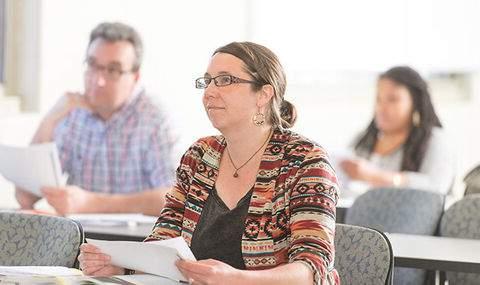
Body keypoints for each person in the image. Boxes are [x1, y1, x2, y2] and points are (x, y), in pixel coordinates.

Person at [78, 42, 340, 284]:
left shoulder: (305, 160)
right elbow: (164, 241)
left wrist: (235, 279)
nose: (209, 92)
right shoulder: (200, 155)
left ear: (263, 94)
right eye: (207, 81)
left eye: (225, 80)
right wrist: (123, 267)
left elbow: (311, 268)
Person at [15, 22, 176, 216]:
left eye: (113, 70)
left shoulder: (155, 119)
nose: (98, 80)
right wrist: (48, 122)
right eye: (93, 65)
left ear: (135, 77)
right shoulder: (73, 113)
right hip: (79, 239)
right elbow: (25, 197)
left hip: (137, 241)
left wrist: (91, 203)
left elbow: (174, 199)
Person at [340, 66, 454, 195]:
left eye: (393, 99)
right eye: (379, 99)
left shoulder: (434, 140)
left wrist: (378, 177)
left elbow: (436, 186)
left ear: (416, 103)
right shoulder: (361, 140)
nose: (382, 108)